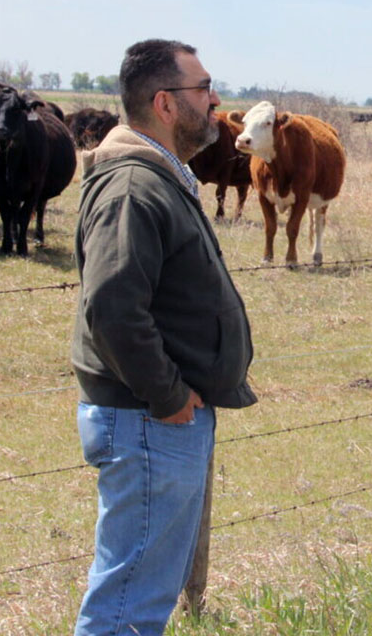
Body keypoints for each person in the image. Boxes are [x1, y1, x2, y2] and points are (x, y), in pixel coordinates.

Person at [71, 39, 256, 636]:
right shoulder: (132, 186)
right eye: (203, 89)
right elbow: (114, 308)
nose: (216, 100)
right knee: (129, 606)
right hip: (149, 421)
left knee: (140, 596)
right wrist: (170, 396)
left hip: (154, 421)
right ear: (165, 103)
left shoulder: (158, 177)